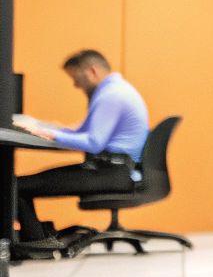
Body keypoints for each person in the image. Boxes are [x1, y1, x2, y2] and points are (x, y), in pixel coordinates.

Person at [14, 50, 150, 252]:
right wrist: (47, 127)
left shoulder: (111, 95)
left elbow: (94, 141)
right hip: (114, 170)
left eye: (76, 78)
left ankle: (35, 246)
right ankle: (36, 240)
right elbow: (83, 131)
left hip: (110, 172)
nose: (76, 85)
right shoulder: (115, 90)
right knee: (19, 185)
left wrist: (51, 134)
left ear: (92, 71)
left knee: (16, 186)